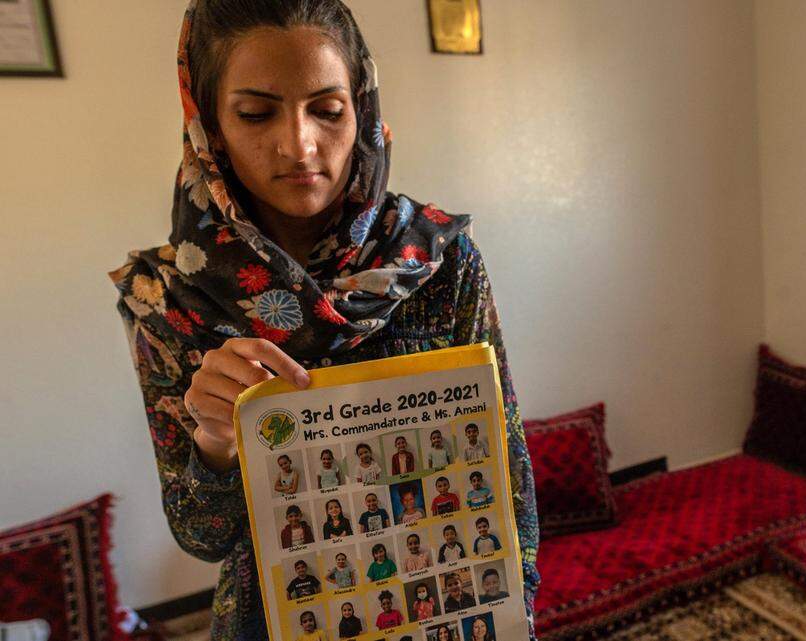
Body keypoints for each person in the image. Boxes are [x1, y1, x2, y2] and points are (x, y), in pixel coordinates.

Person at [110, 3, 539, 638]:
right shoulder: (172, 298)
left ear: (360, 110)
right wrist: (217, 443)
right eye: (256, 113)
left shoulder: (434, 259)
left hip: (447, 607)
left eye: (328, 109)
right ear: (210, 127)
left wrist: (516, 611)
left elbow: (506, 472)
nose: (300, 144)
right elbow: (202, 537)